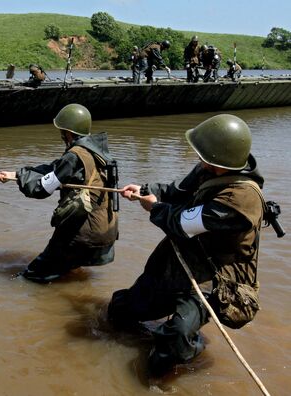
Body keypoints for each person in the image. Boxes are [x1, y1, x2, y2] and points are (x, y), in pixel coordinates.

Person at [108, 114, 265, 377]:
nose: (199, 159)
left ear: (219, 157)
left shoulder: (240, 200)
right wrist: (145, 189)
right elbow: (178, 190)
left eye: (203, 155)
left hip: (214, 275)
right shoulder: (211, 167)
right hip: (179, 259)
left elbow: (181, 222)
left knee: (173, 341)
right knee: (120, 312)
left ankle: (190, 347)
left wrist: (154, 207)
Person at [0, 104, 118, 283]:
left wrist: (21, 180)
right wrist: (16, 174)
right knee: (66, 271)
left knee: (31, 277)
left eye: (62, 131)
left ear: (68, 132)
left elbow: (41, 189)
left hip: (82, 232)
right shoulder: (96, 150)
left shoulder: (74, 156)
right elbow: (55, 169)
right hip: (105, 228)